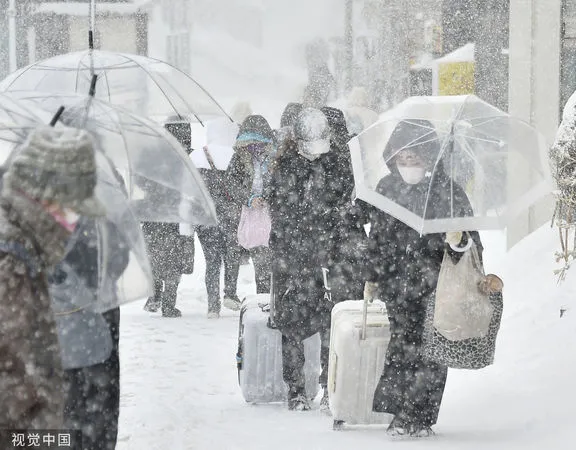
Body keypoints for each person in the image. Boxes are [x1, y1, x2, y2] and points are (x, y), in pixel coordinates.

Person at [363, 119, 483, 437]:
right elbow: (377, 236)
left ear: (429, 156)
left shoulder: (448, 192)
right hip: (397, 284)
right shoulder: (387, 188)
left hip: (436, 286)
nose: (407, 165)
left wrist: (458, 241)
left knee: (431, 349)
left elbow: (471, 245)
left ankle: (418, 415)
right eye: (402, 158)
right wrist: (372, 275)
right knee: (402, 347)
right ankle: (401, 412)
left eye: (414, 158)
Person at [0, 125, 104, 439]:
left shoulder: (25, 246)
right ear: (45, 198)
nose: (72, 224)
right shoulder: (10, 261)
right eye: (70, 208)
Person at [268, 108, 353, 411]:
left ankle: (329, 386)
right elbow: (279, 215)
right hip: (293, 258)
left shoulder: (337, 165)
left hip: (328, 256)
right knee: (292, 326)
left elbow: (345, 207)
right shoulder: (285, 168)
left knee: (332, 323)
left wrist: (337, 220)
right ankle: (296, 390)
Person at [51, 217, 129, 450]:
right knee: (96, 417)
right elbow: (119, 258)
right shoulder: (100, 205)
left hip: (48, 330)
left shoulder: (23, 198)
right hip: (97, 330)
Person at [143, 120, 195, 318]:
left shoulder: (153, 158)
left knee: (155, 257)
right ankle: (168, 304)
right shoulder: (186, 160)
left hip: (154, 217)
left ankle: (154, 296)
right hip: (176, 217)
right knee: (175, 261)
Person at [225, 115, 276, 309]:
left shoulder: (273, 159)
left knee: (264, 261)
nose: (255, 148)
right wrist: (248, 198)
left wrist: (267, 197)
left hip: (268, 215)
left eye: (259, 144)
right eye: (250, 144)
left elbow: (281, 183)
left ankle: (264, 299)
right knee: (246, 254)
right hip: (245, 216)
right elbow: (231, 183)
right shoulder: (238, 159)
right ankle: (244, 296)